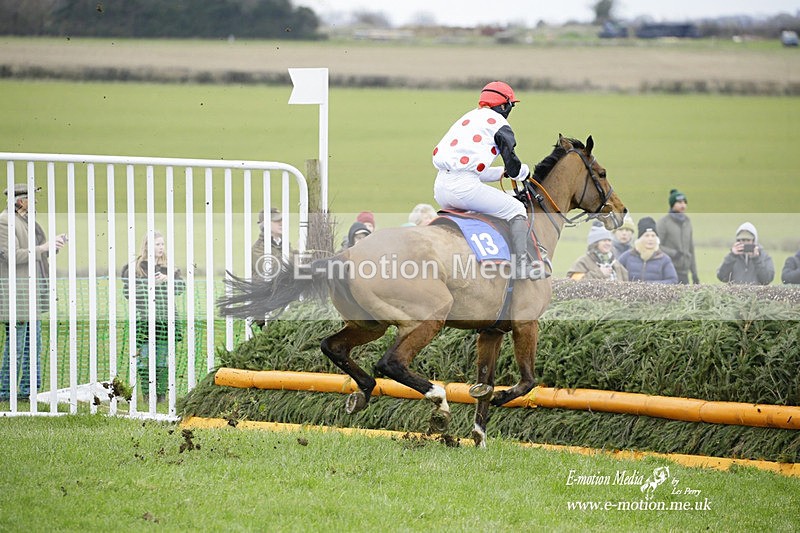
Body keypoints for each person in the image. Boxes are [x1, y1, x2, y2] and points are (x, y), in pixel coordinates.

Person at [432, 80, 539, 279]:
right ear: (505, 105)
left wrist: (499, 173)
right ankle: (521, 265)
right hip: (464, 189)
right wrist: (521, 173)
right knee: (517, 209)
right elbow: (513, 167)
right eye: (511, 106)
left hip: (440, 188)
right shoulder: (500, 125)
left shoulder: (469, 117)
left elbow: (472, 170)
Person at [0, 184, 66, 400]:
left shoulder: (28, 222)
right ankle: (5, 391)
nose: (35, 201)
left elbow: (38, 252)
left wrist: (52, 246)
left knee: (33, 347)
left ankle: (28, 392)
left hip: (33, 296)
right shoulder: (4, 221)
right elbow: (11, 256)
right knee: (16, 347)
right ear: (19, 201)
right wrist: (42, 249)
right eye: (30, 197)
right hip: (17, 297)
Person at [121, 231, 185, 401]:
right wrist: (149, 284)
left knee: (163, 360)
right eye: (157, 244)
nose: (161, 247)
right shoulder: (136, 268)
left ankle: (161, 395)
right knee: (145, 360)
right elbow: (128, 293)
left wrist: (169, 279)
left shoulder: (170, 268)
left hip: (166, 320)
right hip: (144, 320)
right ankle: (147, 395)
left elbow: (180, 289)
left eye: (162, 244)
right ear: (147, 246)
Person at [617, 217, 678, 284]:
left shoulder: (664, 259)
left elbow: (673, 280)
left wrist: (650, 286)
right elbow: (615, 276)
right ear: (640, 238)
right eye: (647, 236)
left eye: (653, 235)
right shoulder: (627, 256)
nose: (650, 239)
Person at [657, 189, 699, 285]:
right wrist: (674, 253)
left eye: (684, 202)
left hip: (684, 273)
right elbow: (656, 246)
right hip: (668, 271)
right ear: (672, 204)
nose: (683, 205)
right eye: (679, 202)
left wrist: (694, 274)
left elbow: (691, 249)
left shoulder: (687, 222)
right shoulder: (663, 222)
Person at [252, 207, 285, 280]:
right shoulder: (257, 249)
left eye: (281, 220)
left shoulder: (285, 245)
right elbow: (271, 270)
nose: (281, 223)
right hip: (265, 290)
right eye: (276, 221)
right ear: (265, 224)